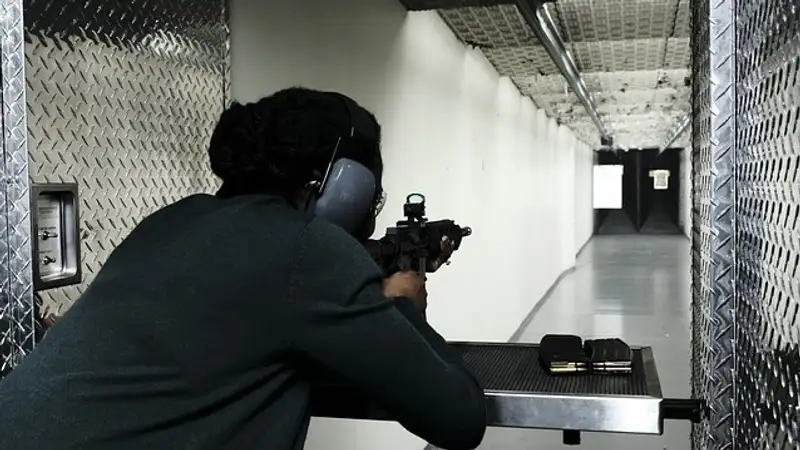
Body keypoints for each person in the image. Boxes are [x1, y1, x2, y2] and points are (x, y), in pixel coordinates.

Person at [0, 87, 487, 450]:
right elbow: (459, 418)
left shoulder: (172, 219)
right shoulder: (307, 247)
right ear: (345, 187)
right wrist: (404, 308)